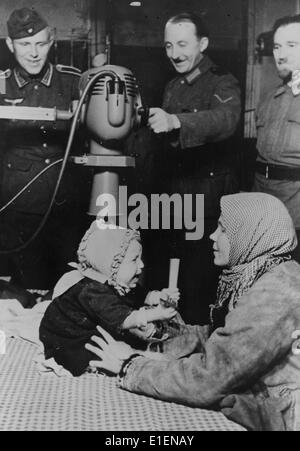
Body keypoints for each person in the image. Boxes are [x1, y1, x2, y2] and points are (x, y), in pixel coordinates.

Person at [86, 193, 300, 431]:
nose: (212, 235)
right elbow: (219, 335)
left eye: (222, 229)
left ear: (249, 233)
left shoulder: (275, 292)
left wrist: (130, 366)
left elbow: (211, 378)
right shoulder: (263, 274)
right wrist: (160, 333)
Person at [145, 12, 241, 325]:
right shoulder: (173, 84)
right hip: (175, 198)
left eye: (183, 44)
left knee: (200, 286)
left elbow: (224, 120)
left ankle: (199, 353)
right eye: (168, 45)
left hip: (208, 202)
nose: (175, 53)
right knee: (171, 279)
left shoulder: (222, 80)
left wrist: (177, 121)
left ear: (203, 43)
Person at [0, 7, 85, 289]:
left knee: (68, 289)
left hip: (66, 208)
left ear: (51, 42)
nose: (34, 53)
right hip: (18, 211)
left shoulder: (74, 82)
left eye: (40, 43)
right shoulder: (1, 85)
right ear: (10, 44)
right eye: (25, 44)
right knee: (25, 291)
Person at [39, 220, 180, 376]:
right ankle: (137, 358)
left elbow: (141, 295)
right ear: (111, 265)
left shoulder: (115, 282)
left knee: (123, 333)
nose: (142, 265)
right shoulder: (93, 290)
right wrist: (157, 314)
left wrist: (159, 297)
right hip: (69, 339)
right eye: (134, 260)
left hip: (89, 327)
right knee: (108, 350)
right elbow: (124, 320)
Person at [253, 14, 300, 263]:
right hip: (265, 214)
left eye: (292, 45)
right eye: (277, 46)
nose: (281, 54)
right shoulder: (269, 99)